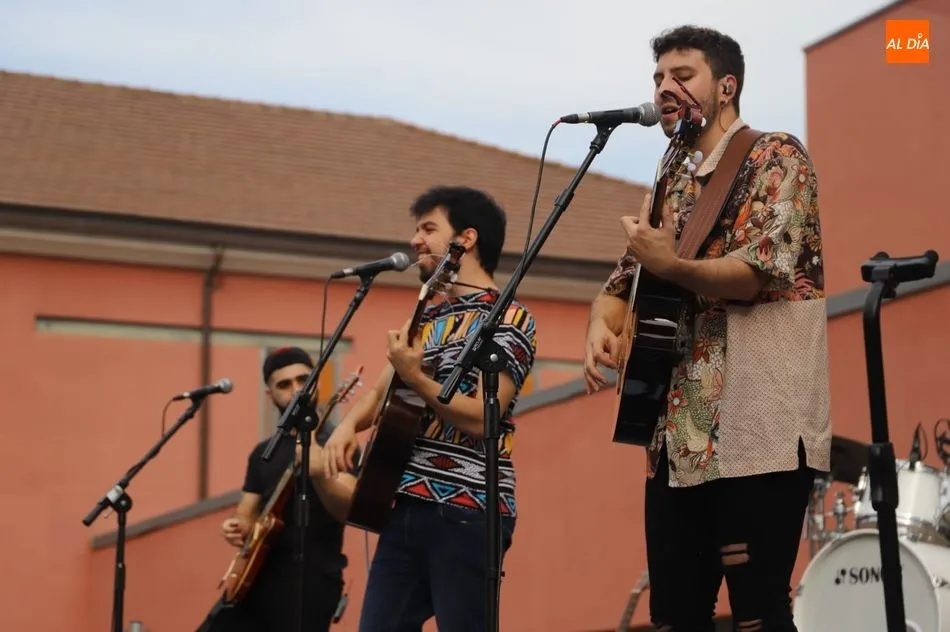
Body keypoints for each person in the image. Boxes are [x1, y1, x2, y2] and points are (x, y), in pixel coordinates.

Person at [583, 25, 831, 631]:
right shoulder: (669, 179)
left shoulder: (775, 156)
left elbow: (755, 273)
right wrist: (600, 325)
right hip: (675, 441)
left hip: (758, 430)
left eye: (682, 75)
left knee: (758, 616)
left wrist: (670, 265)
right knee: (673, 617)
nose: (664, 89)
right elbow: (621, 286)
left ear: (726, 86)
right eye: (658, 79)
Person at [320, 185, 538, 632]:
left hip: (468, 508)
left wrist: (416, 377)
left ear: (466, 239)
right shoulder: (426, 318)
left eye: (428, 229)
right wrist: (346, 427)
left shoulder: (510, 318)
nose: (415, 240)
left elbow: (484, 417)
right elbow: (381, 392)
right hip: (402, 504)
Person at [198, 346, 361, 632]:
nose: (296, 390)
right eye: (284, 385)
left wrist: (320, 472)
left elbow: (350, 505)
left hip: (313, 579)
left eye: (303, 380)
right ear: (269, 394)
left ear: (316, 383)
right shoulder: (263, 452)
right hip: (255, 576)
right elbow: (246, 512)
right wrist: (237, 526)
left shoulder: (338, 442)